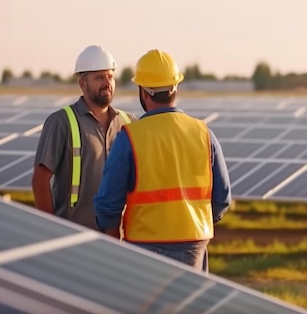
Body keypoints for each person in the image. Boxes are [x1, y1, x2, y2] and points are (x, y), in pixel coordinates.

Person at [93, 49, 231, 272]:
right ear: (175, 88)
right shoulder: (203, 133)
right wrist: (193, 225)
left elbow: (108, 204)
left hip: (145, 249)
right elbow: (222, 199)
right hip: (194, 247)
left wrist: (115, 242)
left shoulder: (130, 137)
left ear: (143, 93)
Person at [32, 45, 137, 230]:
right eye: (99, 77)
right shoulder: (61, 122)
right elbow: (40, 180)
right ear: (82, 83)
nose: (107, 82)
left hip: (118, 238)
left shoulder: (129, 122)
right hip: (72, 235)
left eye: (110, 76)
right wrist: (50, 229)